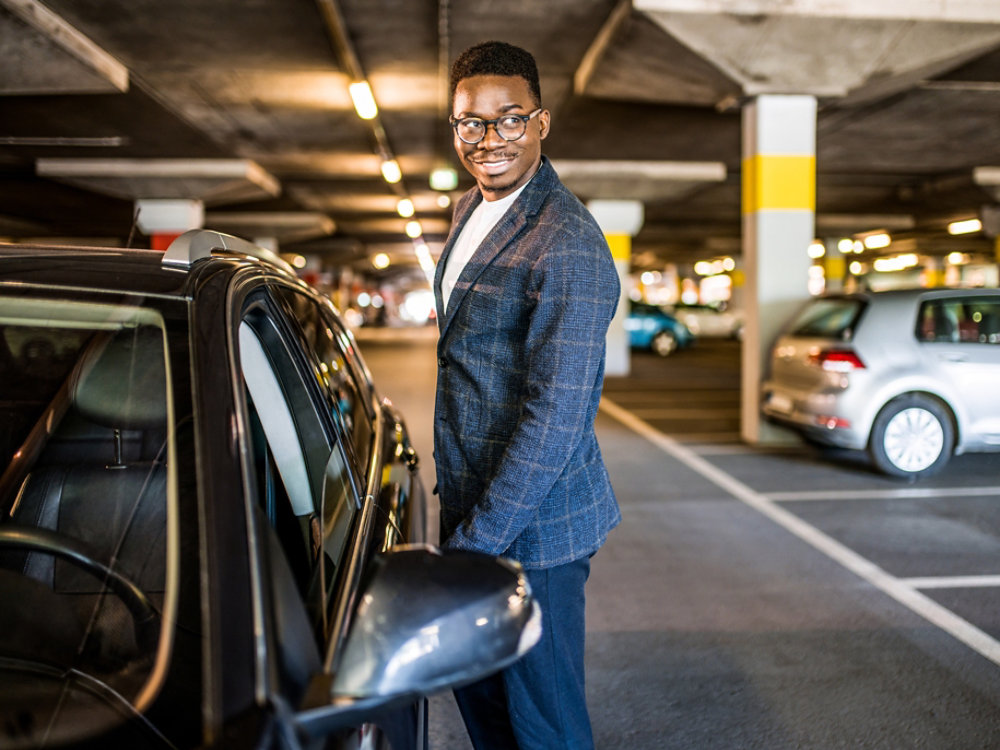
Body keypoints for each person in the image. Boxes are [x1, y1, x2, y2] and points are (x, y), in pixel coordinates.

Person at [432, 40, 621, 750]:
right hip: (473, 505)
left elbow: (557, 418)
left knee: (543, 722)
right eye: (470, 123)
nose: (489, 139)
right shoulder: (467, 210)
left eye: (510, 119)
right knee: (479, 694)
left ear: (542, 123)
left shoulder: (565, 242)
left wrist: (475, 545)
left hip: (533, 530)